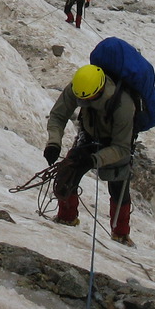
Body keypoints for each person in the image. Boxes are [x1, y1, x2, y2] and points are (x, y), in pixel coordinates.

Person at [43, 63, 135, 245]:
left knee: (118, 185)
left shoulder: (124, 105)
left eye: (88, 100)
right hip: (90, 133)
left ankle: (121, 234)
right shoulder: (78, 88)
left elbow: (122, 148)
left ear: (100, 90)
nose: (84, 104)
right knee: (68, 172)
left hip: (116, 142)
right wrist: (53, 142)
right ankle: (66, 218)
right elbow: (58, 116)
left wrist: (94, 160)